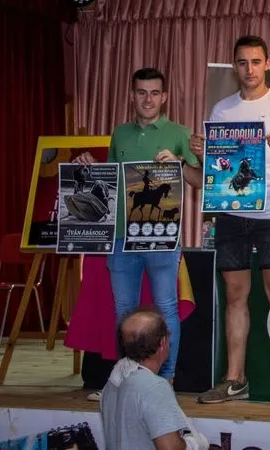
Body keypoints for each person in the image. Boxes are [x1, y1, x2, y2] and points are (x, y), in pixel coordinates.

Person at [190, 35, 270, 407]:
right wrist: (203, 154)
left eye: (256, 62)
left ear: (267, 63)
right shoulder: (222, 110)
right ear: (235, 67)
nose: (249, 70)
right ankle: (234, 379)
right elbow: (216, 170)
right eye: (242, 63)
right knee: (235, 296)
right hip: (230, 213)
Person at [74, 67, 202, 394]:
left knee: (166, 306)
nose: (148, 99)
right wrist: (90, 167)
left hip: (162, 235)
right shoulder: (119, 134)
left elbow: (200, 181)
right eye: (142, 93)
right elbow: (112, 184)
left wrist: (178, 161)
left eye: (155, 93)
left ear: (165, 97)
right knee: (124, 311)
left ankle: (166, 379)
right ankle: (126, 381)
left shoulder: (179, 133)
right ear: (132, 96)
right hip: (120, 236)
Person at [100, 306, 209, 450]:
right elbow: (170, 448)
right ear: (163, 343)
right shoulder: (154, 387)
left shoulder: (112, 384)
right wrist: (195, 444)